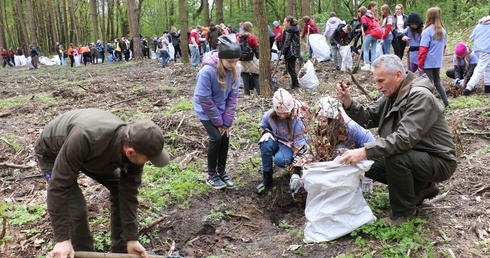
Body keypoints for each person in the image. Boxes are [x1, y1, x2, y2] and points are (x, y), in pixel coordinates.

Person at [336, 54, 457, 226]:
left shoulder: (419, 96)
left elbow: (402, 139)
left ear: (398, 75)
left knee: (394, 156)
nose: (378, 86)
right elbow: (369, 117)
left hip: (439, 160)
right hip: (418, 155)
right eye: (376, 81)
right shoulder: (393, 94)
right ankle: (423, 187)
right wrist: (348, 102)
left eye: (381, 81)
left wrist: (364, 151)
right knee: (368, 162)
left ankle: (404, 213)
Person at [34, 108, 170, 258]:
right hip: (52, 151)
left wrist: (131, 238)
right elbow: (58, 188)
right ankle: (83, 253)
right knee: (76, 210)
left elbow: (128, 193)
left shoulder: (135, 144)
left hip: (91, 154)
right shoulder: (84, 137)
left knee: (119, 189)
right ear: (130, 152)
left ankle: (121, 250)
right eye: (149, 158)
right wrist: (62, 239)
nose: (148, 162)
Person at [193, 34, 241, 190]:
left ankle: (221, 171)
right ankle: (211, 174)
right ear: (221, 58)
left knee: (225, 137)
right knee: (216, 138)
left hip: (222, 108)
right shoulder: (207, 71)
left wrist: (226, 122)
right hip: (205, 108)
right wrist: (218, 123)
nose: (233, 64)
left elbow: (232, 98)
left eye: (235, 61)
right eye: (229, 61)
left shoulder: (236, 69)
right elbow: (205, 99)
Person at [255, 88, 308, 194]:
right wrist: (265, 132)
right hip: (275, 139)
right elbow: (261, 126)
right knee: (265, 144)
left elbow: (301, 147)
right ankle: (267, 178)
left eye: (285, 113)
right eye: (279, 113)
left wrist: (296, 172)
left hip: (290, 145)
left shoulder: (297, 121)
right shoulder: (270, 115)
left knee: (281, 160)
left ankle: (292, 171)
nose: (282, 116)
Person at [418, 7, 449, 107]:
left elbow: (423, 49)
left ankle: (430, 106)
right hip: (437, 62)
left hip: (428, 62)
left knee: (429, 85)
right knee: (438, 83)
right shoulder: (443, 31)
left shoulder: (427, 31)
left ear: (429, 16)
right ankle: (446, 103)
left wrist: (420, 63)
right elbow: (444, 48)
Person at [462, 13, 490, 96]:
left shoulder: (480, 24)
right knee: (480, 69)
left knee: (488, 67)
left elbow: (472, 37)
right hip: (486, 49)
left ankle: (488, 88)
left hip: (477, 49)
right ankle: (468, 88)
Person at [237, 21, 260, 95]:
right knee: (256, 75)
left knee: (244, 76)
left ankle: (247, 93)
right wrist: (258, 57)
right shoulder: (252, 37)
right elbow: (256, 48)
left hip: (242, 58)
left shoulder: (239, 36)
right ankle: (259, 92)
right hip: (251, 58)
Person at [281, 16, 301, 90]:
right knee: (291, 69)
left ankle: (295, 85)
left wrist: (283, 52)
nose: (284, 23)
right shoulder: (295, 29)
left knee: (291, 69)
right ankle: (295, 84)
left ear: (288, 23)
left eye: (285, 22)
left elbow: (287, 42)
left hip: (290, 52)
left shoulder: (289, 31)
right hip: (294, 51)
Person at [360, 2, 380, 71]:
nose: (376, 8)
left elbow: (365, 25)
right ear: (371, 7)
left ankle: (367, 65)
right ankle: (373, 66)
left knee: (366, 49)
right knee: (373, 49)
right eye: (375, 7)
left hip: (369, 34)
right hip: (375, 34)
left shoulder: (364, 17)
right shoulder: (373, 16)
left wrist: (365, 32)